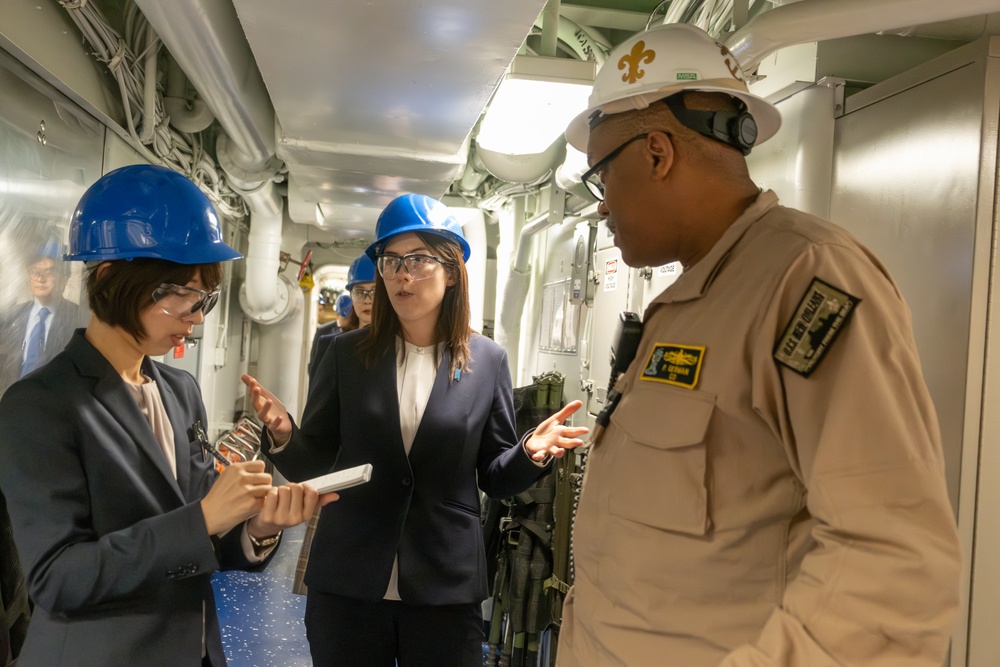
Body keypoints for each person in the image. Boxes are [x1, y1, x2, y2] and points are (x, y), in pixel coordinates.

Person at [555, 22, 963, 667]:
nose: (602, 207)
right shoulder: (692, 301)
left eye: (601, 178)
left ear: (656, 153)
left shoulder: (807, 280)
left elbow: (893, 561)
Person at [0, 164, 334, 667]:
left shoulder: (179, 390)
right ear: (112, 277)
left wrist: (256, 528)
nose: (196, 317)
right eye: (180, 295)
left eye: (204, 298)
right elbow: (58, 577)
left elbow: (200, 544)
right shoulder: (41, 405)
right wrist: (203, 518)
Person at [242, 193, 589, 667]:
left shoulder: (487, 361)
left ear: (451, 272)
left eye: (420, 260)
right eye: (391, 261)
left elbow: (495, 475)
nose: (403, 274)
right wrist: (283, 433)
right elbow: (316, 461)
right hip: (349, 579)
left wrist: (531, 451)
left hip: (444, 584)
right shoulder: (346, 354)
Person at [0, 242, 80, 396]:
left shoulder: (77, 317)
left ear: (64, 278)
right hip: (13, 399)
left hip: (53, 403)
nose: (39, 278)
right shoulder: (15, 314)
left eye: (48, 272)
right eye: (34, 271)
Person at [308, 254, 375, 381]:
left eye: (375, 291)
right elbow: (316, 399)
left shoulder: (400, 347)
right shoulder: (330, 346)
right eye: (360, 292)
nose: (367, 300)